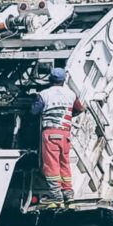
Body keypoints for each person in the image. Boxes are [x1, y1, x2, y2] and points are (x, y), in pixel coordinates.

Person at [31, 67, 84, 208]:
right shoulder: (71, 94)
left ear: (50, 79)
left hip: (50, 133)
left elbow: (34, 110)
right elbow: (80, 109)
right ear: (63, 80)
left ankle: (56, 197)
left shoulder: (44, 94)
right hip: (65, 133)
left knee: (51, 164)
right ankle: (68, 194)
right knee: (64, 163)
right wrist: (66, 117)